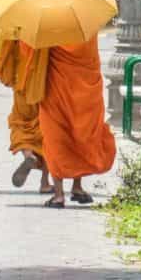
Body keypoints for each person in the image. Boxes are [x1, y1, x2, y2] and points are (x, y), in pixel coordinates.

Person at [38, 35, 116, 208]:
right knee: (81, 132)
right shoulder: (86, 27)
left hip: (56, 86)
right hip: (86, 88)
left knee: (55, 136)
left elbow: (34, 52)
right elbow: (92, 59)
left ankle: (58, 195)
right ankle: (77, 187)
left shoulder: (51, 25)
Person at [0, 36, 52, 194]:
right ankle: (45, 183)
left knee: (20, 123)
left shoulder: (17, 31)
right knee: (46, 132)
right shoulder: (51, 32)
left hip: (22, 87)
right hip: (45, 87)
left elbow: (6, 58)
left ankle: (28, 154)